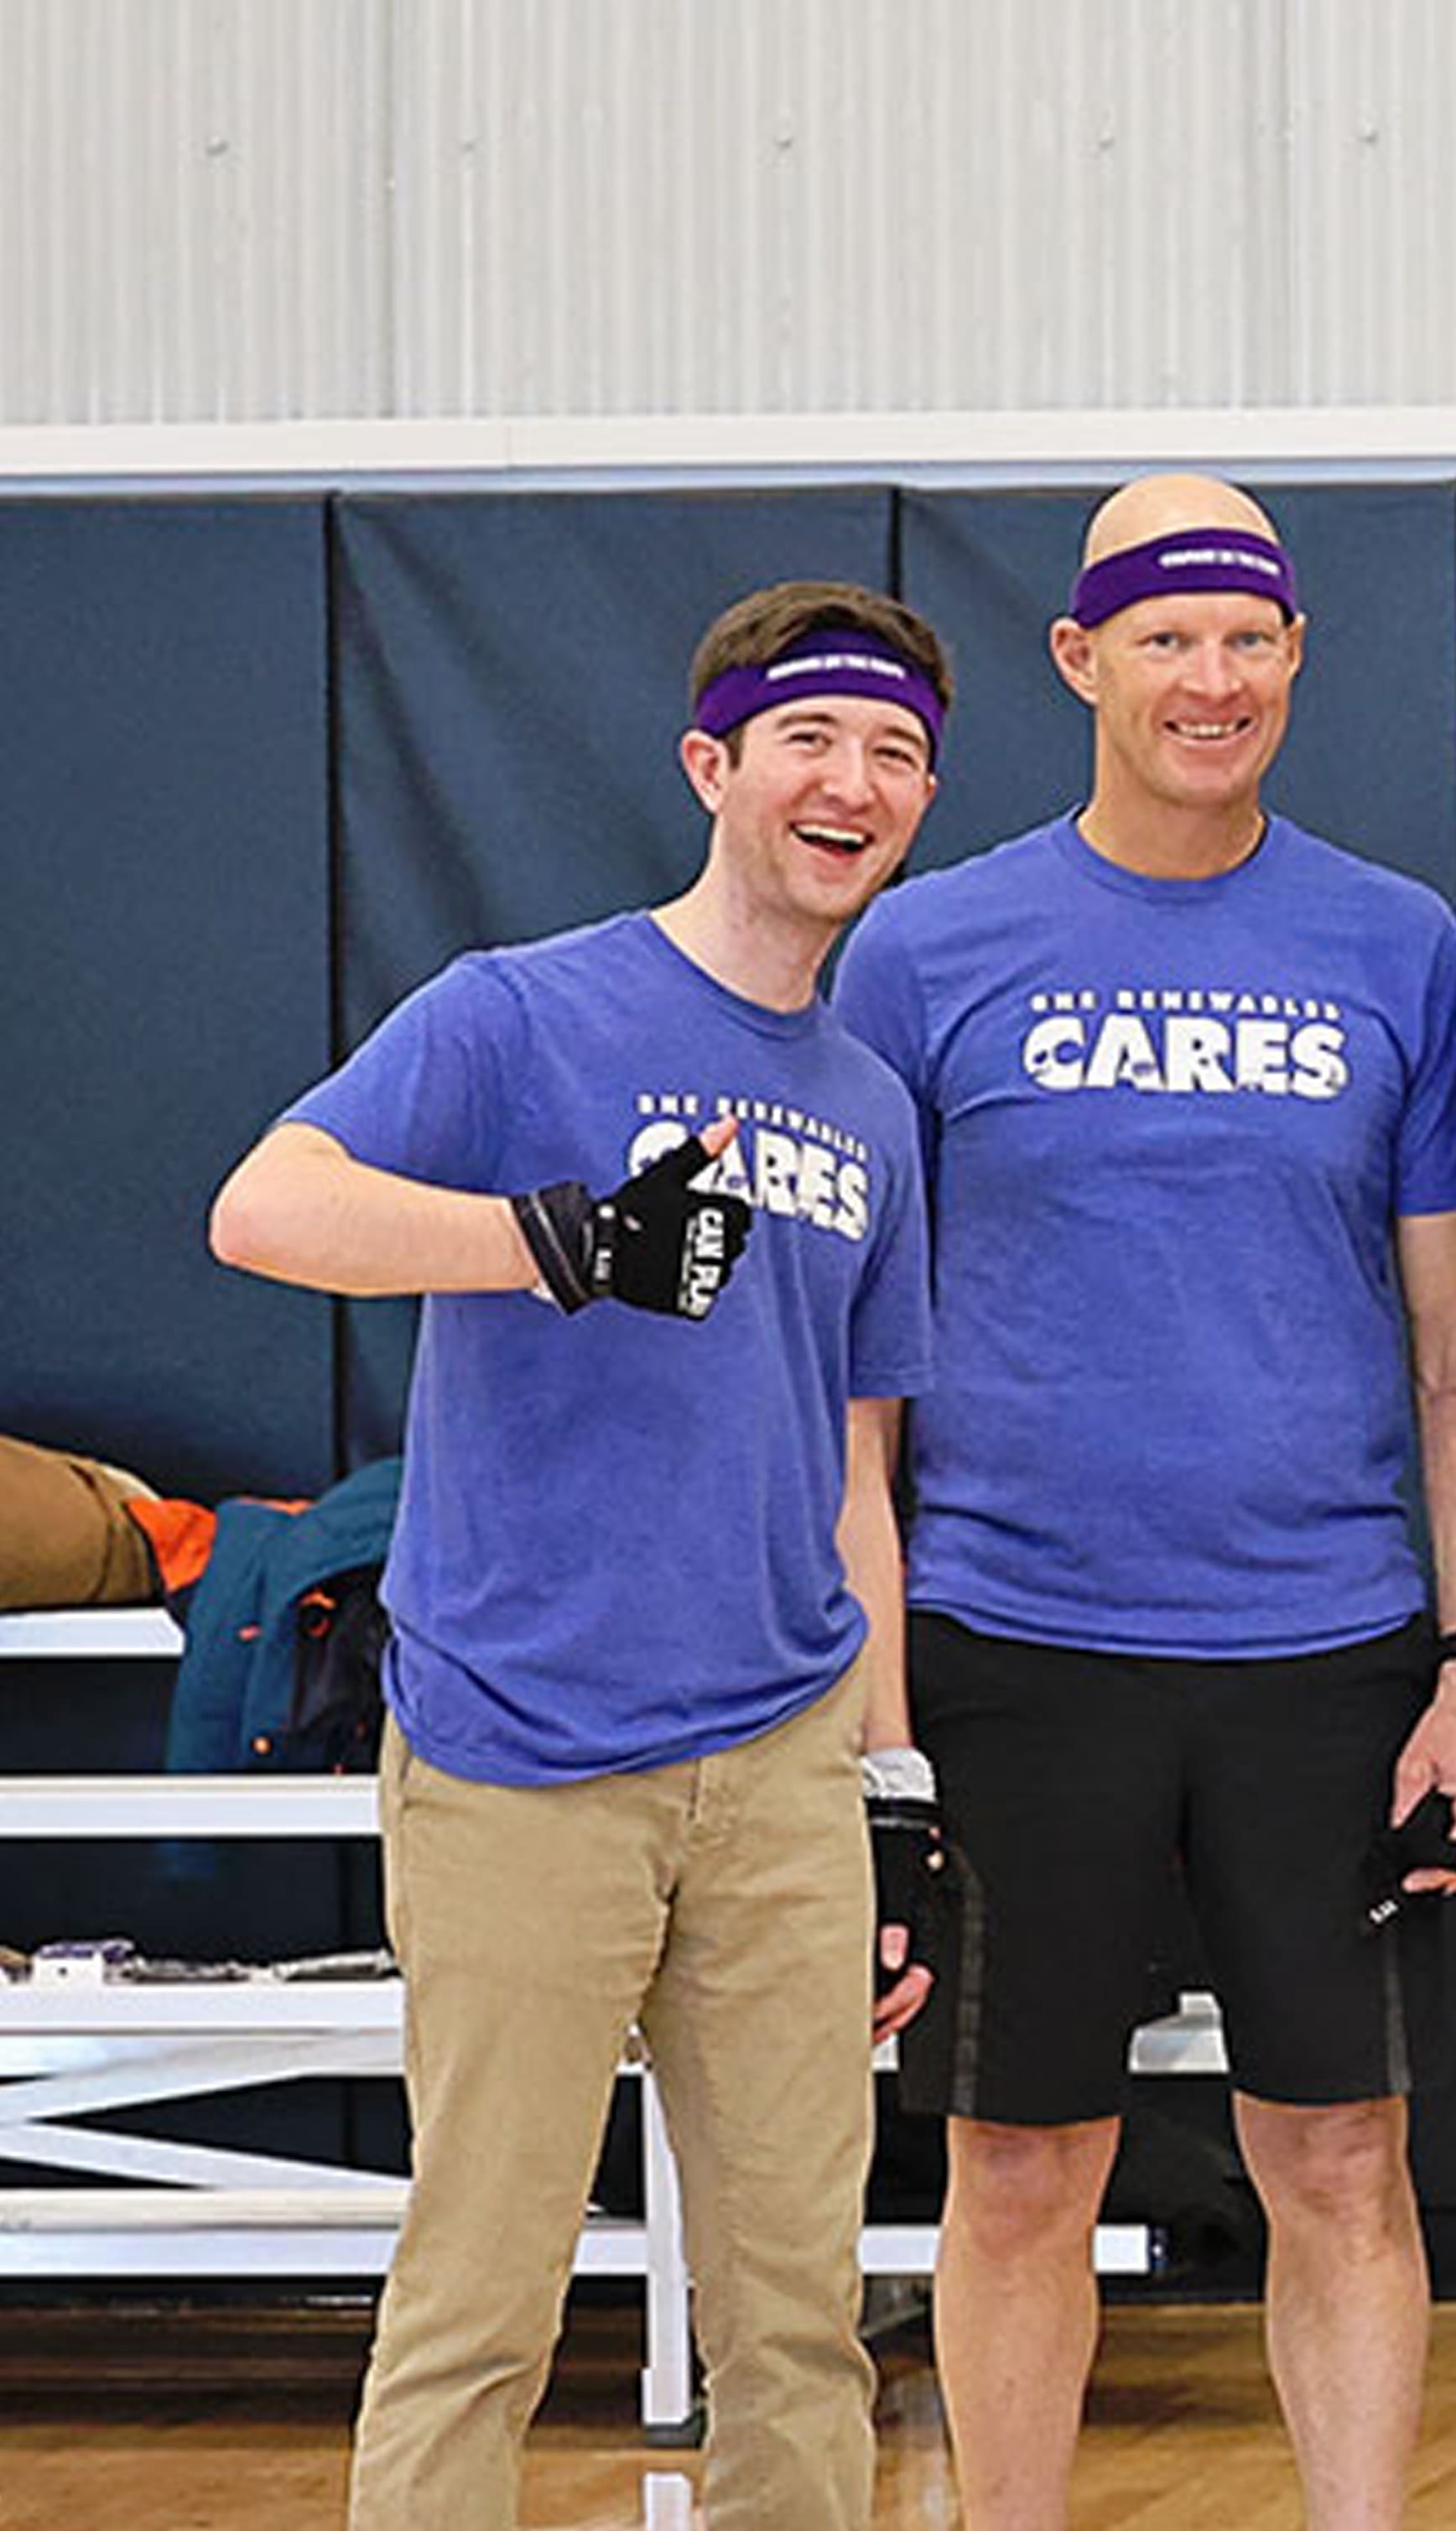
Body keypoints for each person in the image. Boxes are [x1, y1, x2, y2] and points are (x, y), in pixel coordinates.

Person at [211, 578, 950, 2531]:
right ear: (712, 765)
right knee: (484, 2302)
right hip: (520, 1752)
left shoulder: (869, 1103)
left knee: (802, 2314)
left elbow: (856, 1475)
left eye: (893, 754)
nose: (850, 783)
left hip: (783, 1765)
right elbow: (266, 1209)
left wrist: (891, 1789)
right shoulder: (522, 1013)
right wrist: (555, 1241)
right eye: (809, 739)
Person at [831, 476, 1456, 2531]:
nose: (1209, 677)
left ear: (1295, 658)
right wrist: (878, 1723)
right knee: (1021, 2164)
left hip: (1319, 1655)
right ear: (1081, 660)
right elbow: (848, 1394)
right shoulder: (927, 955)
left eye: (1247, 638)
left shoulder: (1395, 944)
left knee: (1338, 2161)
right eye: (1164, 636)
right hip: (1016, 1653)